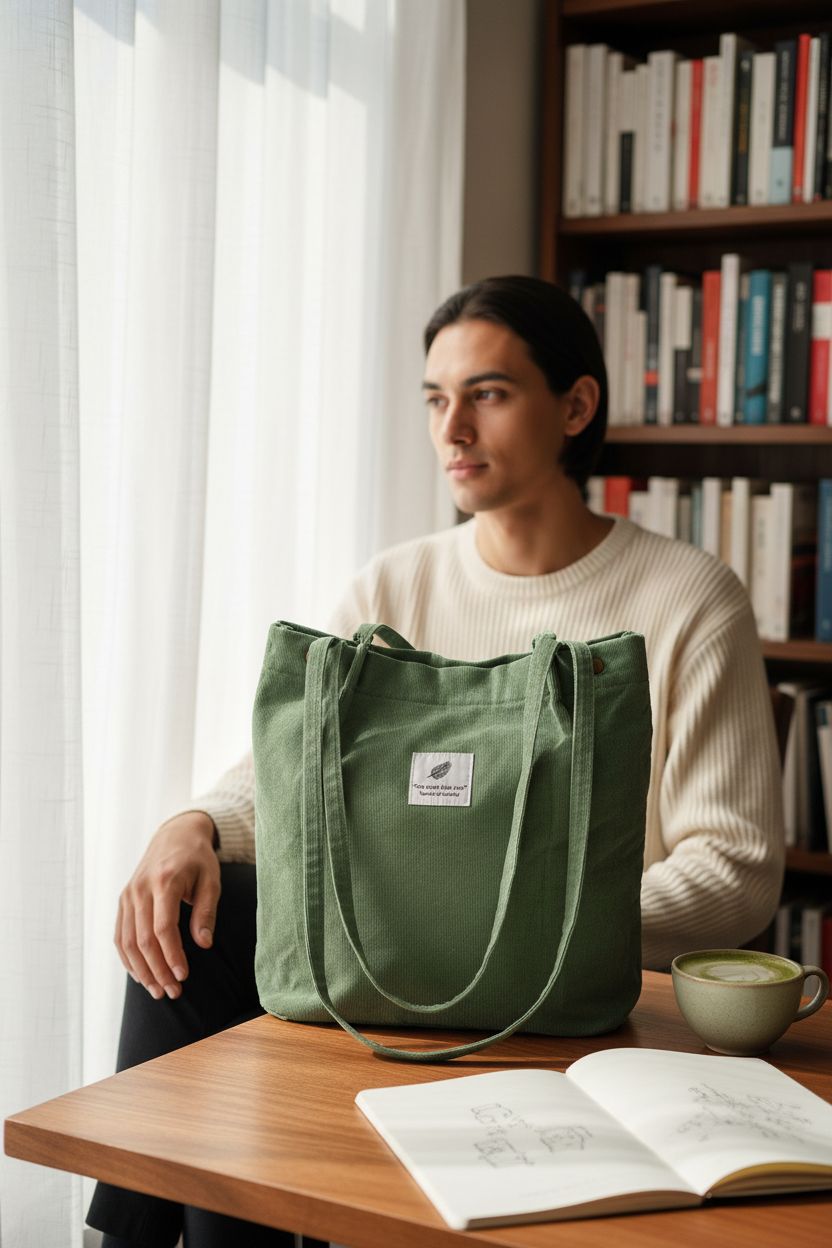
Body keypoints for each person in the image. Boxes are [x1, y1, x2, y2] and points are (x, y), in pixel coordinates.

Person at [88, 275, 784, 1246]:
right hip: (392, 974)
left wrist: (538, 935)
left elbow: (733, 871)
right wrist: (192, 823)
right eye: (434, 398)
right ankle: (127, 1230)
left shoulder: (686, 597)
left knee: (246, 1058)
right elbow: (283, 773)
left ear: (574, 406)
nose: (451, 428)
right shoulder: (394, 584)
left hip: (563, 998)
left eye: (488, 394)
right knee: (201, 914)